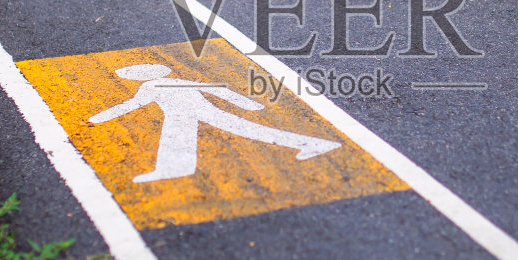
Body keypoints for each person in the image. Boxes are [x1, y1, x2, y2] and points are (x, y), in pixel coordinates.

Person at [89, 64, 339, 183]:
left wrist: (103, 116)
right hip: (185, 113)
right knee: (177, 137)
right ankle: (174, 168)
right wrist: (245, 103)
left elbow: (135, 104)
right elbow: (214, 88)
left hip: (195, 111)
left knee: (248, 129)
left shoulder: (151, 86)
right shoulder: (157, 84)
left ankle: (312, 142)